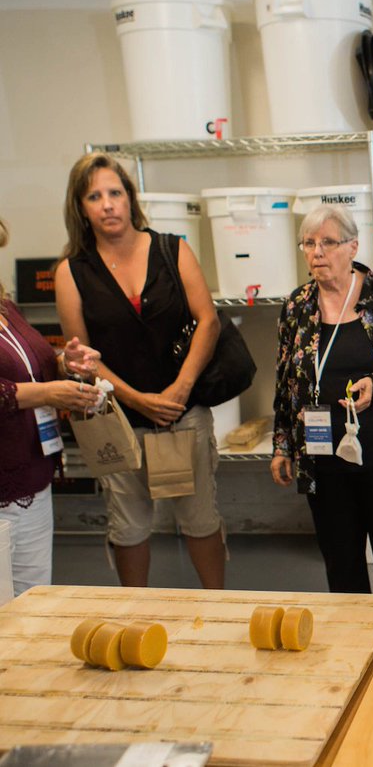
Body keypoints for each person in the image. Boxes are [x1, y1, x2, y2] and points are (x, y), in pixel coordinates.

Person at [54, 152, 226, 589]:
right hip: (118, 421)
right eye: (95, 196)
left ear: (130, 199)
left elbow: (208, 320)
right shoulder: (71, 273)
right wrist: (136, 399)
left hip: (182, 413)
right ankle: (136, 614)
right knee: (128, 528)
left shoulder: (173, 249)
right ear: (81, 207)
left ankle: (223, 605)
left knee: (200, 520)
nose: (108, 204)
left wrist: (180, 390)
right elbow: (85, 357)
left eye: (115, 193)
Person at [271, 205, 373, 603]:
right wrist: (282, 446)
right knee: (341, 563)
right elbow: (286, 382)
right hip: (324, 459)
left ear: (353, 246)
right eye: (309, 243)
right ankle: (353, 643)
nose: (317, 253)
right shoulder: (297, 306)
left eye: (328, 242)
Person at [0, 217, 102, 595]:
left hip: (33, 474)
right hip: (4, 484)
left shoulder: (6, 308)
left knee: (32, 599)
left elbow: (31, 365)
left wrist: (64, 362)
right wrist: (46, 394)